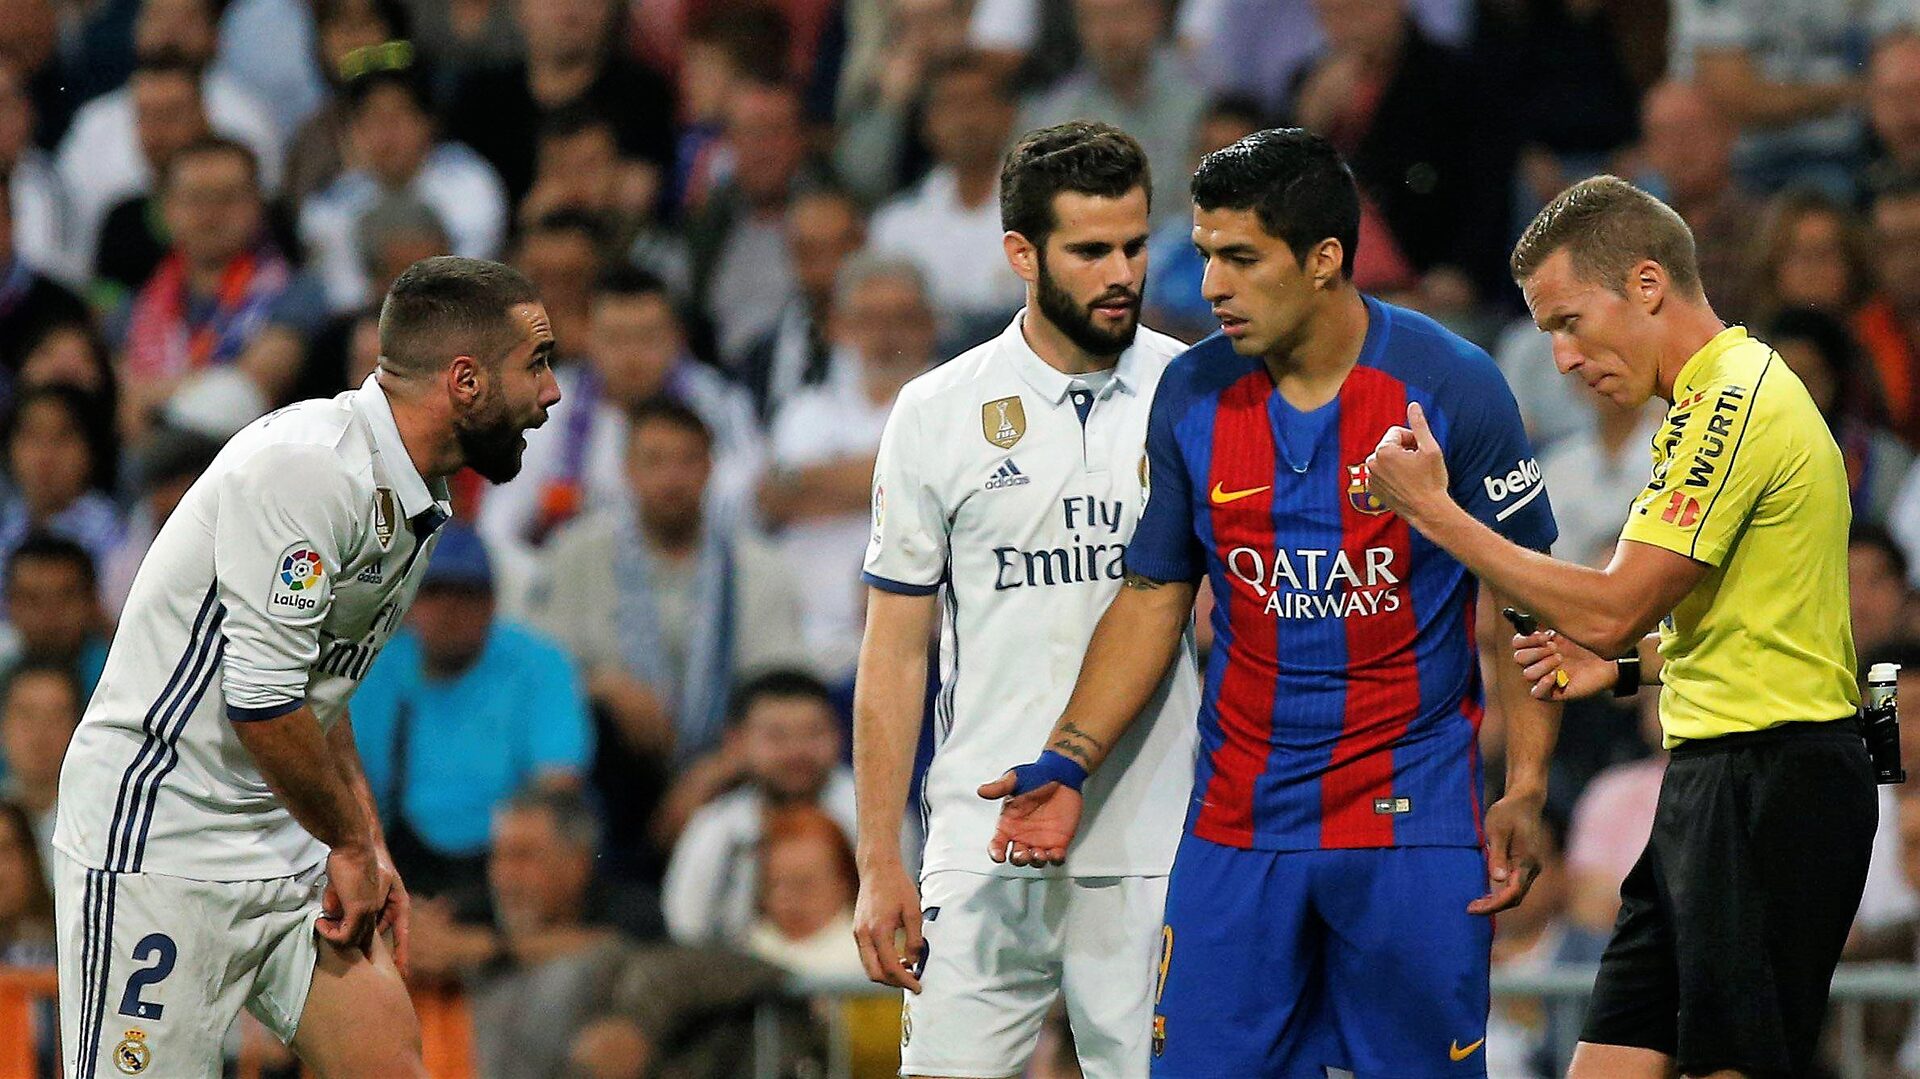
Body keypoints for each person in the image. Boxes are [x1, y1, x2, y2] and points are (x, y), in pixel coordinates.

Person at [986, 128, 1560, 1077]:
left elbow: (1528, 595)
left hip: (1409, 813)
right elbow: (1154, 593)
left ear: (1325, 258)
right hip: (1239, 819)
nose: (1211, 285)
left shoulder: (1452, 384)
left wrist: (1528, 784)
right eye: (1205, 254)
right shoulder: (1191, 391)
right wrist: (1070, 756)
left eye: (1241, 258)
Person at [1364, 174, 1872, 1079]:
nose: (1561, 359)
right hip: (1712, 778)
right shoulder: (1697, 409)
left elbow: (1609, 605)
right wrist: (1630, 669)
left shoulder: (1736, 402)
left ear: (1646, 283)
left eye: (1568, 322)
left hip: (1772, 782)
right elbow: (1762, 622)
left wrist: (1436, 513)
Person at [50, 255, 561, 1075]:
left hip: (284, 835)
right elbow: (263, 703)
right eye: (536, 363)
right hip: (162, 837)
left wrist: (363, 841)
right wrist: (348, 839)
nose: (552, 392)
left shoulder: (417, 490)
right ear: (465, 380)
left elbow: (320, 685)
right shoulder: (310, 469)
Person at [856, 121, 1202, 1078]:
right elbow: (895, 649)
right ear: (1021, 253)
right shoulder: (936, 411)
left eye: (1134, 245)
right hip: (980, 839)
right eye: (1090, 251)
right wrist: (879, 856)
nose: (1121, 273)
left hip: (1157, 840)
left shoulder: (1195, 389)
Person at [348, 520, 594, 899]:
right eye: (434, 593)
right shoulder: (377, 670)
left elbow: (559, 783)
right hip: (401, 865)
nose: (450, 609)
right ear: (409, 603)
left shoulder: (538, 663)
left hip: (509, 863)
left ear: (492, 603)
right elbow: (351, 786)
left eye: (467, 594)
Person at [664, 668, 856, 946]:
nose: (796, 751)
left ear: (840, 734)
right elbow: (686, 929)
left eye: (813, 733)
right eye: (777, 736)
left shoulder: (874, 817)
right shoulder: (715, 827)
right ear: (737, 742)